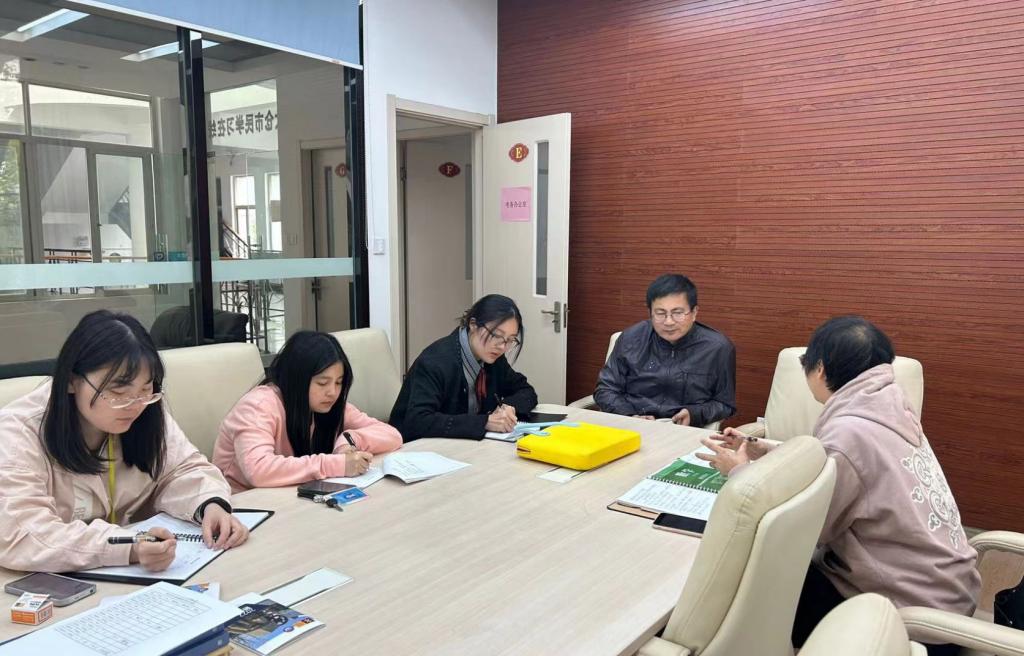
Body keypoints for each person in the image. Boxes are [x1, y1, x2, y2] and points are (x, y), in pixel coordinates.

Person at [698, 316, 979, 656]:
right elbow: (832, 463)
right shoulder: (887, 406)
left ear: (819, 369)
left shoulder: (850, 432)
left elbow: (803, 529)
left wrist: (739, 472)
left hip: (912, 619)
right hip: (946, 593)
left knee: (750, 577)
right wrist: (763, 450)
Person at [0, 310, 248, 574]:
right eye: (118, 391)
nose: (134, 405)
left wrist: (209, 504)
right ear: (72, 381)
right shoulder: (18, 434)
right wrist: (126, 546)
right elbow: (23, 534)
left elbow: (183, 469)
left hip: (135, 576)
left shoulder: (145, 409)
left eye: (146, 389)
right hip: (47, 582)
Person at [214, 331, 402, 493]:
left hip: (292, 496)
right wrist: (337, 464)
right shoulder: (258, 405)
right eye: (322, 383)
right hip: (242, 505)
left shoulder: (328, 404)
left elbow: (392, 435)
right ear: (297, 379)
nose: (332, 392)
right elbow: (258, 470)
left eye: (339, 382)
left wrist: (349, 439)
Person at [389, 294, 538, 441]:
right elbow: (418, 421)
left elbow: (526, 391)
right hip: (415, 448)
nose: (502, 347)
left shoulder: (493, 357)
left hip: (463, 446)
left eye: (510, 340)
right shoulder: (435, 362)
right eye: (496, 335)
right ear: (473, 324)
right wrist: (484, 422)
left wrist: (507, 408)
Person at [594, 273, 735, 426]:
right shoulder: (631, 338)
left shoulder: (717, 348)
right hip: (632, 424)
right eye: (660, 313)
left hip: (681, 429)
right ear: (650, 313)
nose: (668, 322)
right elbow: (605, 390)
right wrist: (630, 415)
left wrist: (695, 414)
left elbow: (724, 404)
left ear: (694, 313)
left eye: (677, 313)